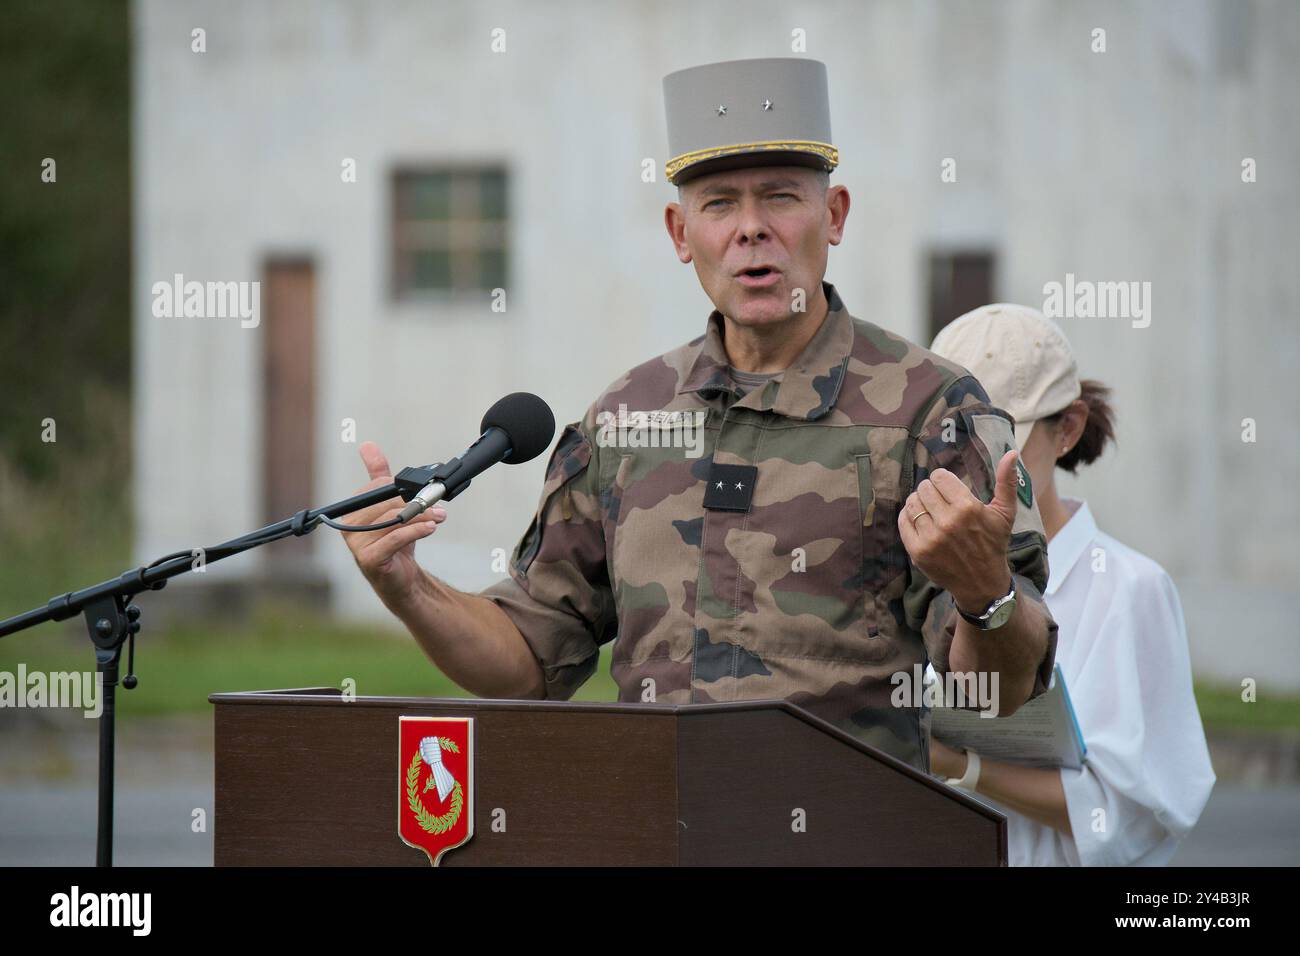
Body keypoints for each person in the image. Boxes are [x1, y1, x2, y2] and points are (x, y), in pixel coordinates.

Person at [341, 58, 1058, 772]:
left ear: (833, 216)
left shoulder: (931, 410)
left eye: (780, 198)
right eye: (718, 204)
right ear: (681, 234)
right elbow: (529, 660)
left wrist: (985, 594)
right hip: (652, 833)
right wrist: (409, 586)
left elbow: (999, 692)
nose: (751, 230)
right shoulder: (625, 419)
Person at [928, 303, 1216, 864]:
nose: (973, 468)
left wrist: (959, 765)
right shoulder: (918, 576)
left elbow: (1137, 812)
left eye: (999, 443)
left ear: (1068, 429)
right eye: (954, 443)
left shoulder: (1132, 589)